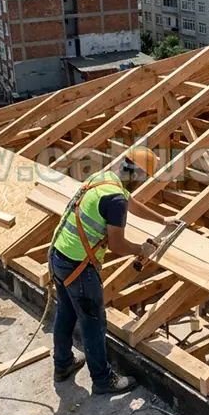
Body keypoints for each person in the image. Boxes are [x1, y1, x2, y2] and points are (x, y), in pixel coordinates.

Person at [48, 147, 175, 395]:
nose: (142, 183)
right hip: (79, 267)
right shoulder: (115, 199)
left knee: (65, 312)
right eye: (144, 178)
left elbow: (130, 203)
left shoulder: (104, 179)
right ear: (136, 174)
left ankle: (62, 365)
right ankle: (103, 380)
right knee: (93, 323)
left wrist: (161, 221)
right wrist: (142, 249)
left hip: (58, 255)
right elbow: (117, 244)